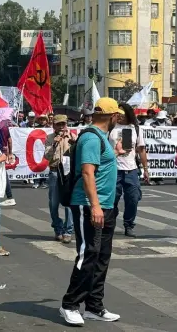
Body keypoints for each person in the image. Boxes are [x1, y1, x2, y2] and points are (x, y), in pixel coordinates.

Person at [60, 97, 120, 326]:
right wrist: (94, 205)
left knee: (102, 256)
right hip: (89, 205)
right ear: (113, 116)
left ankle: (94, 306)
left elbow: (100, 167)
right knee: (89, 253)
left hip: (105, 205)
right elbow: (87, 173)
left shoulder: (102, 138)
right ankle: (70, 304)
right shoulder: (92, 138)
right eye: (117, 117)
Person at [109, 103, 148, 238]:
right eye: (117, 114)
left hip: (131, 170)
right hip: (114, 169)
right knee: (112, 199)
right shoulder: (111, 127)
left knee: (133, 198)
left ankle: (129, 224)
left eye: (122, 114)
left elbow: (141, 149)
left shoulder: (135, 128)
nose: (119, 116)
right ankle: (110, 221)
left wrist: (145, 169)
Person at [43, 114, 75, 243]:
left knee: (69, 203)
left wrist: (74, 143)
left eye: (63, 124)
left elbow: (78, 153)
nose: (61, 127)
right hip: (55, 171)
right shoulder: (50, 138)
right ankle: (58, 228)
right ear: (53, 125)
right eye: (59, 124)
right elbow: (47, 156)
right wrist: (54, 144)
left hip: (67, 172)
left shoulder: (72, 136)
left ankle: (68, 231)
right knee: (53, 203)